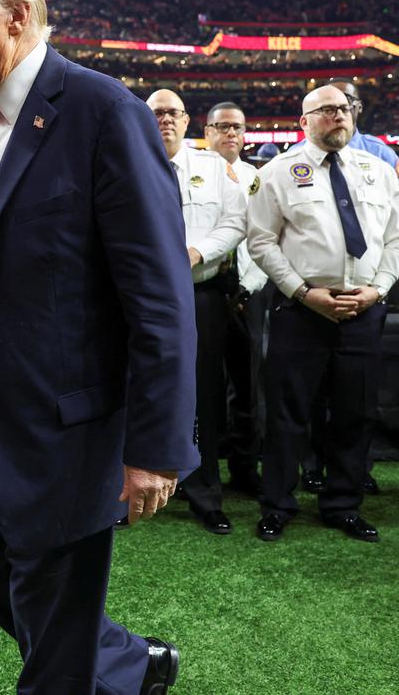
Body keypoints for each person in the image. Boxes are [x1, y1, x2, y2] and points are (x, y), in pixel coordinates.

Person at [0, 0, 195, 692]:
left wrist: (156, 445)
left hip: (64, 426)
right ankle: (135, 666)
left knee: (54, 646)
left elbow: (160, 295)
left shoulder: (104, 113)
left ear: (19, 15)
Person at [249, 84, 399, 543]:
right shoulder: (278, 172)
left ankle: (343, 503)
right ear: (304, 122)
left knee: (355, 413)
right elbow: (261, 240)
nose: (337, 116)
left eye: (343, 109)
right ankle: (277, 504)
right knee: (287, 413)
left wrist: (377, 290)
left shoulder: (379, 171)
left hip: (363, 309)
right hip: (301, 311)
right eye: (325, 111)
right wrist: (302, 291)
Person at [147, 89, 245, 534]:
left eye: (173, 113)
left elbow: (236, 222)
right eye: (156, 113)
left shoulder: (213, 168)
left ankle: (205, 494)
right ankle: (131, 489)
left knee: (205, 395)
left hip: (198, 294)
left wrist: (196, 252)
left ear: (188, 122)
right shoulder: (124, 162)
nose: (165, 120)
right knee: (138, 391)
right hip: (140, 298)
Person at [204, 102, 265, 497]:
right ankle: (197, 469)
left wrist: (250, 289)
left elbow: (266, 239)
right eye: (222, 126)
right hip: (204, 287)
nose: (230, 133)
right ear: (207, 131)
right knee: (201, 386)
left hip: (248, 290)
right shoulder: (188, 171)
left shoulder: (258, 178)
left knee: (248, 385)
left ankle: (244, 467)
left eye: (237, 127)